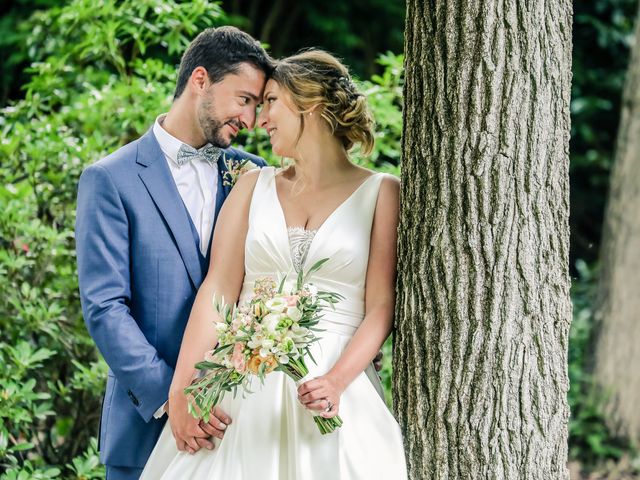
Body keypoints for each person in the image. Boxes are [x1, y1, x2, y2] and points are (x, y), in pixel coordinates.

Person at [141, 49, 407, 479]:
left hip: (333, 391)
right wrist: (184, 389)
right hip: (241, 386)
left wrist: (337, 380)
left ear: (311, 106)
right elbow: (218, 290)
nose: (258, 120)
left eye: (271, 103)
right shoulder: (251, 186)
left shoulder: (382, 193)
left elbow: (381, 306)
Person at [75, 26, 274, 480]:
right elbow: (105, 306)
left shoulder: (254, 175)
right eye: (243, 99)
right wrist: (176, 398)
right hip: (146, 424)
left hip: (239, 426)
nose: (250, 118)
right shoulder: (110, 180)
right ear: (200, 79)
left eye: (257, 106)